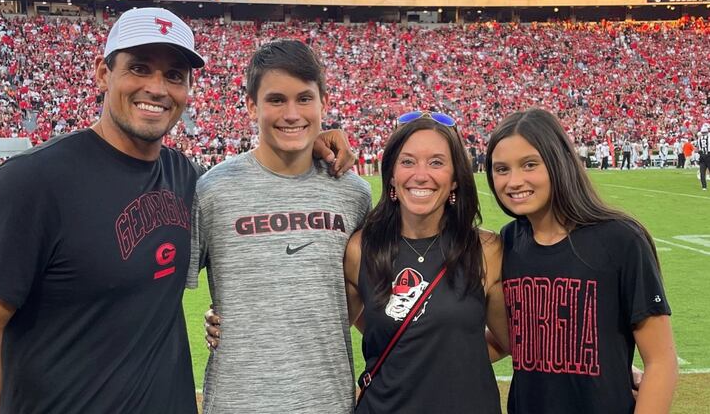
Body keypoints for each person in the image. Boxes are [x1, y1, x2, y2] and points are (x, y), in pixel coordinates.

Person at [0, 8, 355, 414]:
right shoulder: (33, 180)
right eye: (139, 68)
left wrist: (314, 142)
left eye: (174, 75)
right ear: (104, 74)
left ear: (188, 89)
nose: (157, 88)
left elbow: (266, 249)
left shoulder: (187, 178)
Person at [188, 39, 372, 413]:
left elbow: (370, 296)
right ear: (251, 105)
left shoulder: (355, 195)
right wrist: (225, 317)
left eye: (304, 98)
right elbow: (158, 295)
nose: (292, 113)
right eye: (276, 100)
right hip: (238, 402)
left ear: (323, 102)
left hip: (327, 401)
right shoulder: (213, 190)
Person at [485, 108, 678, 413]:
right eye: (501, 169)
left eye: (530, 165)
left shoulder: (621, 239)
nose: (514, 181)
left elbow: (660, 361)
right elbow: (513, 339)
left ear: (558, 162)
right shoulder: (508, 241)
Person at [344, 112, 508, 413]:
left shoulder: (486, 250)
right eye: (407, 162)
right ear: (392, 175)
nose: (421, 175)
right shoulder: (360, 248)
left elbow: (509, 340)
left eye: (436, 162)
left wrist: (448, 359)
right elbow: (340, 330)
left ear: (456, 178)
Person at [697, 124, 710, 191]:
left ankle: (704, 187)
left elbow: (699, 150)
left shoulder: (699, 139)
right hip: (708, 155)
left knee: (702, 172)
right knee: (702, 172)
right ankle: (704, 186)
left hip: (702, 156)